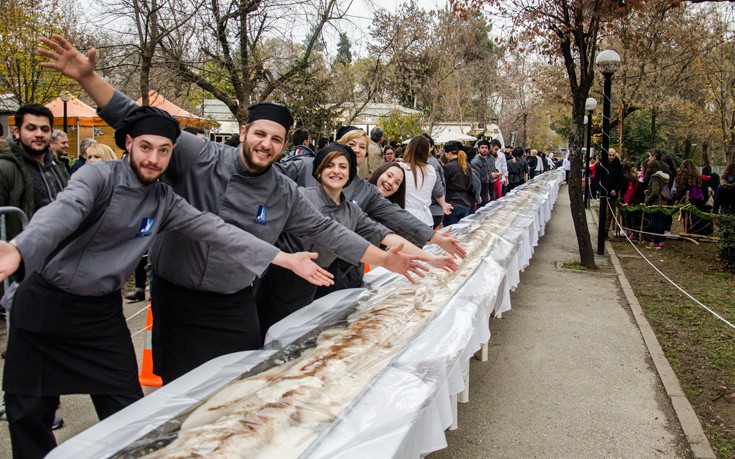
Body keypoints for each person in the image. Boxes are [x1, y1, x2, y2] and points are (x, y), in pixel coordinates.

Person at [39, 34, 433, 385]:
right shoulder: (198, 155)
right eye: (259, 134)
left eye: (276, 139)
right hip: (178, 298)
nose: (266, 144)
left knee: (240, 387)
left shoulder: (283, 190)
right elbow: (136, 118)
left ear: (283, 146)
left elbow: (328, 229)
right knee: (181, 394)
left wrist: (385, 258)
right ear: (244, 132)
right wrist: (87, 78)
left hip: (235, 303)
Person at [0, 105, 336, 459]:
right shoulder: (97, 177)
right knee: (29, 414)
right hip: (45, 306)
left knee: (129, 415)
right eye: (146, 147)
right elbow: (61, 213)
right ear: (128, 143)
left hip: (100, 315)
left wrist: (281, 258)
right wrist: (19, 250)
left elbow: (219, 231)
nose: (153, 159)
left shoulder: (165, 200)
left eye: (164, 151)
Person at [255, 143, 455, 339]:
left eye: (343, 167)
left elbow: (387, 236)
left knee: (293, 341)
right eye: (329, 166)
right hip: (276, 283)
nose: (336, 171)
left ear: (351, 174)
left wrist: (430, 258)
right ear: (318, 171)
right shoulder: (300, 195)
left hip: (308, 290)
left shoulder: (352, 211)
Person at [399, 135, 452, 227]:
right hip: (426, 220)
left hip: (405, 218)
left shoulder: (400, 167)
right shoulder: (430, 169)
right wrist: (443, 204)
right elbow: (438, 190)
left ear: (409, 148)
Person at [443, 141, 473, 226]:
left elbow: (443, 185)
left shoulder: (448, 167)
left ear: (449, 153)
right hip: (465, 202)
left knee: (450, 233)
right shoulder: (467, 166)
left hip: (451, 203)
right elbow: (470, 184)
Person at [644, 159, 668, 249]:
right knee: (659, 222)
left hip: (655, 203)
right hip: (662, 202)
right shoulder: (663, 177)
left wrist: (647, 201)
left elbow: (655, 192)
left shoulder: (655, 177)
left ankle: (656, 242)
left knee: (655, 222)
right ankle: (659, 241)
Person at [601, 148, 625, 239]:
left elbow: (621, 180)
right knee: (604, 213)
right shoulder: (602, 165)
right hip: (604, 192)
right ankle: (602, 230)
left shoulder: (618, 166)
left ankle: (605, 231)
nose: (611, 157)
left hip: (613, 193)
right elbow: (597, 179)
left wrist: (615, 189)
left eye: (613, 155)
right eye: (610, 155)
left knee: (610, 214)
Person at [470, 139, 498, 206]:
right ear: (478, 149)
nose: (484, 149)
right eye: (482, 148)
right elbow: (477, 179)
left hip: (490, 184)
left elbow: (492, 171)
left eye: (486, 148)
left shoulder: (491, 158)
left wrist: (494, 175)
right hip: (482, 187)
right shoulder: (475, 162)